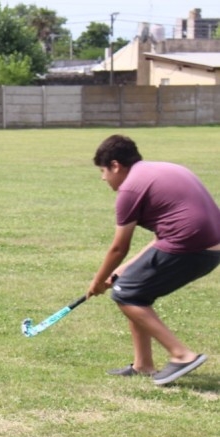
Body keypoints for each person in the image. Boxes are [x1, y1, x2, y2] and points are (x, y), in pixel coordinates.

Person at [87, 134, 220, 386]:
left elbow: (119, 247)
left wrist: (96, 281)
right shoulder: (162, 170)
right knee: (132, 287)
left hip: (191, 246)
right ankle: (143, 365)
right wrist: (123, 270)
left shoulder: (129, 189)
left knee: (127, 294)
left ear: (115, 165)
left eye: (103, 171)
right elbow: (161, 237)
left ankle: (182, 355)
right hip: (211, 247)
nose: (103, 178)